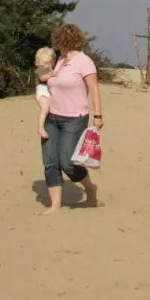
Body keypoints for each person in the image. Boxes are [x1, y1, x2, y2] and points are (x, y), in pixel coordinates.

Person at [40, 23, 103, 212]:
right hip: (51, 118)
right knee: (50, 162)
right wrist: (43, 66)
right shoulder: (58, 60)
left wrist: (98, 115)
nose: (57, 44)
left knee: (67, 162)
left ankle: (90, 188)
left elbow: (94, 89)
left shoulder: (84, 61)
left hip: (74, 119)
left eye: (59, 40)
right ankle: (55, 205)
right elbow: (41, 75)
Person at [33, 47, 56, 141]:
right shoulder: (41, 69)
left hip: (48, 90)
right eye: (45, 63)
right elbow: (42, 78)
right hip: (42, 90)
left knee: (50, 109)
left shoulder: (50, 69)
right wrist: (52, 75)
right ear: (40, 62)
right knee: (45, 109)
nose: (48, 65)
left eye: (50, 62)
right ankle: (40, 128)